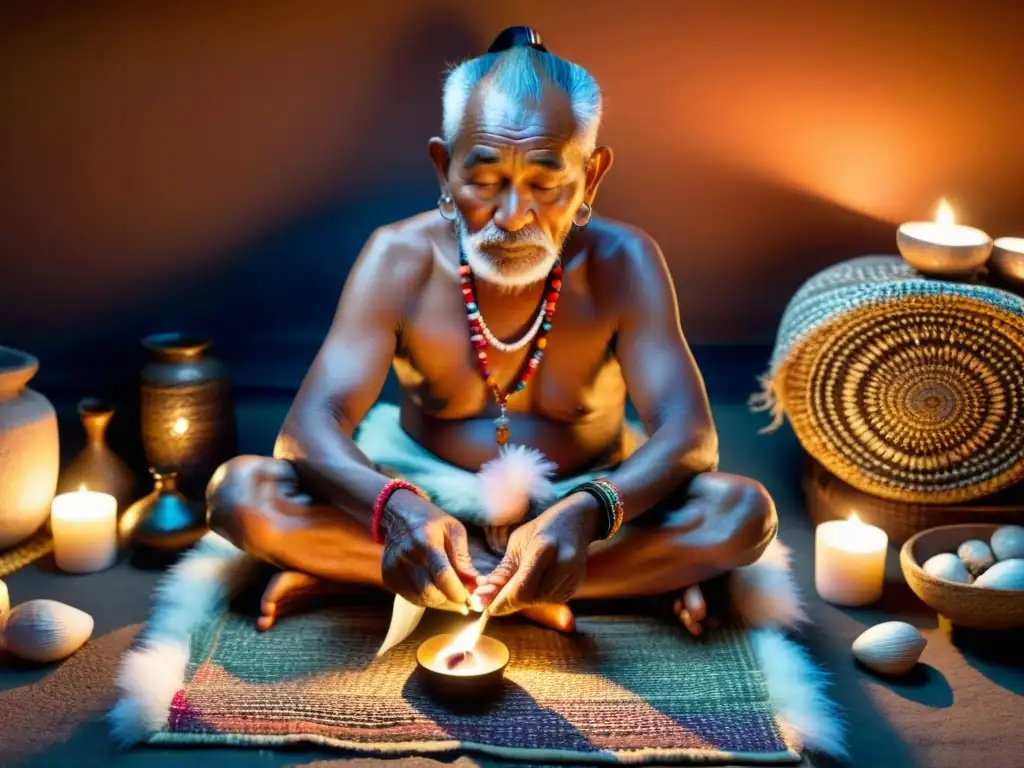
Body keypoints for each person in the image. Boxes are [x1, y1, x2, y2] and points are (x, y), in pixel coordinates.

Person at [207, 26, 778, 638]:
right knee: (240, 494)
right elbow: (306, 432)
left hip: (583, 504)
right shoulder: (399, 257)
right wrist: (397, 511)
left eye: (545, 182)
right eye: (483, 180)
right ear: (442, 168)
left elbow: (690, 438)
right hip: (418, 491)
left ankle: (389, 578)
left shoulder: (623, 261)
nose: (511, 217)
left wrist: (590, 512)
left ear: (592, 177)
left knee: (742, 514)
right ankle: (577, 583)